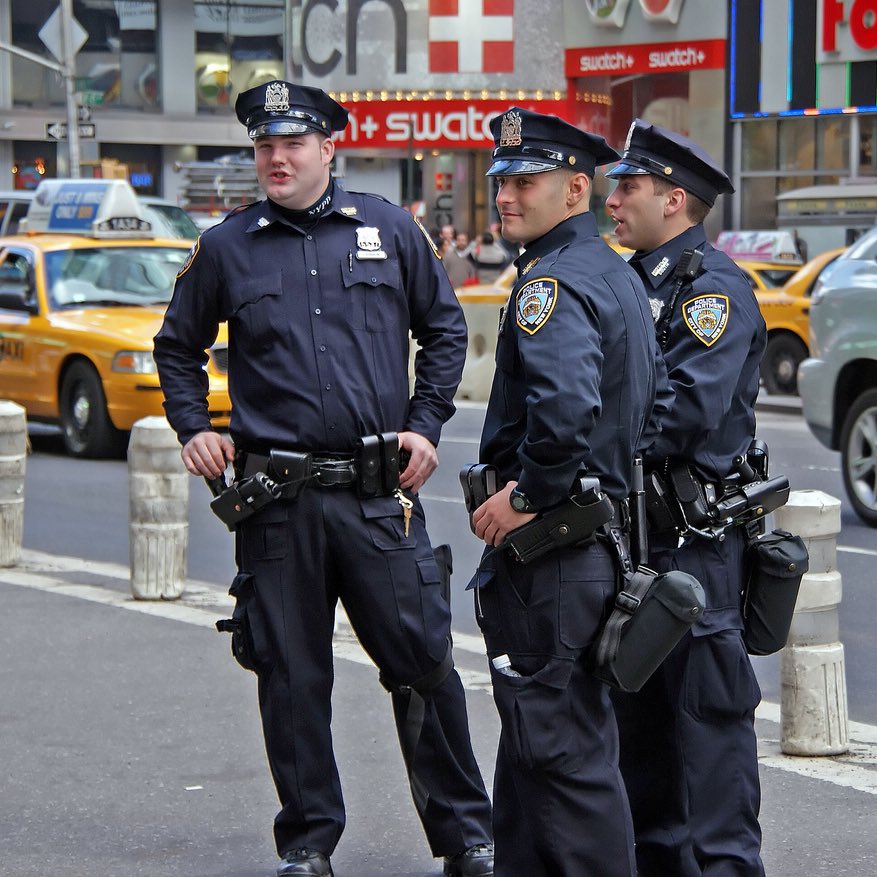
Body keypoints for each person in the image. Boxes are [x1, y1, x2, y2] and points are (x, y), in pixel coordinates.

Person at [153, 81, 494, 877]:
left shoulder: (390, 227)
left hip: (377, 496)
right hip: (279, 501)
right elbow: (177, 346)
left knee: (423, 664)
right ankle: (308, 844)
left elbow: (443, 328)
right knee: (291, 676)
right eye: (264, 146)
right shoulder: (226, 246)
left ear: (327, 148)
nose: (276, 157)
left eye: (292, 144)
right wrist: (194, 426)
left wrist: (427, 419)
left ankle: (467, 836)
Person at [470, 107, 662, 877]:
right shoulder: (610, 270)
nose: (506, 196)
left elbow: (565, 409)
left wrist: (525, 494)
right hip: (590, 548)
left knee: (562, 760)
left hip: (554, 552)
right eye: (502, 181)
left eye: (525, 181)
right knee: (533, 757)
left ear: (575, 188)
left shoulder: (550, 281)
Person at [605, 119, 768, 876]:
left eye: (628, 186)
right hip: (635, 540)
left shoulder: (711, 291)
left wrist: (592, 436)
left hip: (694, 542)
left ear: (674, 199)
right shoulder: (630, 282)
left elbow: (680, 412)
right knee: (639, 722)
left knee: (707, 723)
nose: (613, 199)